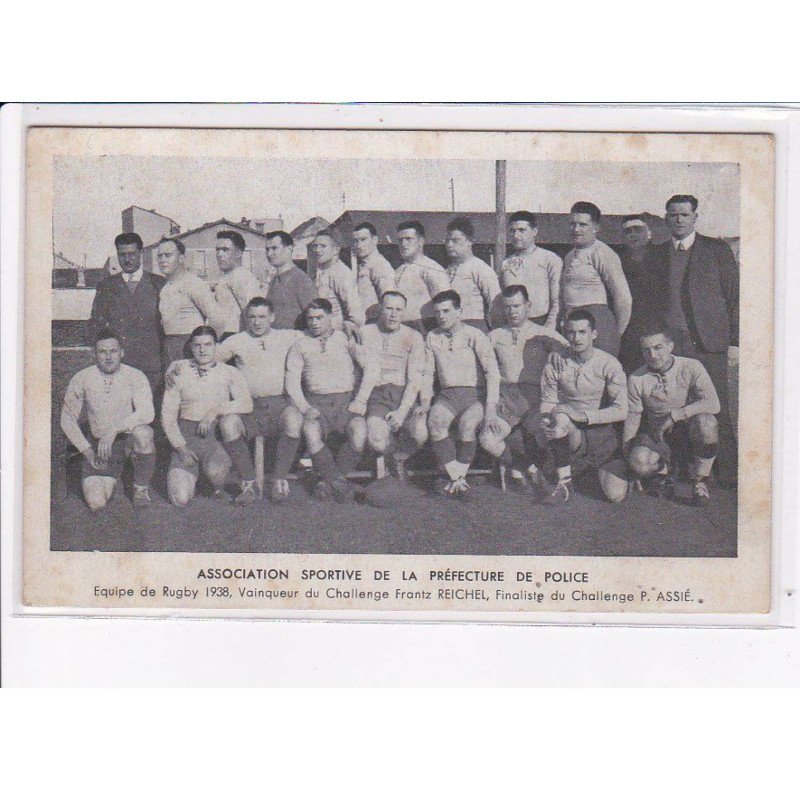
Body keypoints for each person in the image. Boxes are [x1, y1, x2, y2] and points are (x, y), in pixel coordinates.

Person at [652, 194, 739, 486]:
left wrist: (735, 341)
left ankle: (728, 474)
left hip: (708, 343)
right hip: (672, 348)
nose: (679, 220)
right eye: (673, 215)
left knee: (716, 408)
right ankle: (682, 468)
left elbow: (735, 297)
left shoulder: (717, 250)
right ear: (666, 218)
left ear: (695, 217)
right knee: (674, 408)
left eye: (684, 215)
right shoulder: (659, 254)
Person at [285, 299, 378, 502]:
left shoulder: (345, 339)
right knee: (310, 431)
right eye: (310, 319)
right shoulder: (300, 344)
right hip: (317, 403)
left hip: (345, 402)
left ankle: (327, 482)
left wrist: (361, 400)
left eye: (319, 318)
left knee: (360, 432)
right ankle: (339, 484)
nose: (314, 323)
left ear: (331, 317)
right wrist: (305, 407)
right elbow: (291, 382)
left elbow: (372, 369)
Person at [479, 285, 568, 492]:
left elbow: (569, 349)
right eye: (508, 307)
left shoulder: (544, 333)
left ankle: (538, 471)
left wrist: (558, 352)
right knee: (487, 438)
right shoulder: (494, 335)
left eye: (517, 306)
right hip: (507, 397)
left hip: (537, 396)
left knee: (547, 431)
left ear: (528, 306)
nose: (513, 312)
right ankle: (523, 466)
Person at [215, 297, 305, 501]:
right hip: (248, 407)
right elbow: (210, 359)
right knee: (228, 424)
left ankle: (279, 480)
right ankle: (248, 482)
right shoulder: (236, 340)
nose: (257, 322)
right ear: (246, 318)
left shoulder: (289, 336)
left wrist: (346, 324)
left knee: (294, 419)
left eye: (262, 317)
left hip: (278, 405)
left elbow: (318, 333)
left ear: (272, 317)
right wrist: (181, 366)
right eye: (252, 317)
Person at [538, 309, 629, 504]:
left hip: (602, 436)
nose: (576, 338)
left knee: (616, 495)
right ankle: (565, 485)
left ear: (594, 334)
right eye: (571, 332)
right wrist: (546, 418)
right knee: (559, 416)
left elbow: (621, 410)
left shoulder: (608, 363)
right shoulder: (557, 362)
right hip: (573, 432)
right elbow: (549, 400)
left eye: (582, 332)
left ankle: (589, 471)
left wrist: (584, 416)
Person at [60, 330, 156, 510]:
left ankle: (140, 487)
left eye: (113, 351)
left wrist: (113, 431)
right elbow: (67, 419)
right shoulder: (82, 377)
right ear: (94, 354)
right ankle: (114, 478)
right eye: (102, 352)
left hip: (126, 442)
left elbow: (147, 412)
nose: (109, 356)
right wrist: (87, 451)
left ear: (121, 352)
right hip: (99, 446)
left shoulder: (135, 375)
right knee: (96, 503)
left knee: (144, 434)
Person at [624, 328, 720, 506]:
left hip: (690, 430)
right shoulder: (637, 378)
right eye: (646, 350)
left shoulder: (691, 366)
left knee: (707, 423)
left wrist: (675, 415)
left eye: (658, 347)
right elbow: (633, 417)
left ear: (670, 346)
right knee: (639, 463)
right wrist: (628, 460)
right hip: (660, 434)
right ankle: (667, 469)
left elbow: (713, 404)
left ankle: (700, 481)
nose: (652, 355)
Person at [162, 326, 256, 507]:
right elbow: (168, 416)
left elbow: (246, 403)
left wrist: (215, 411)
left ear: (216, 346)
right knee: (179, 499)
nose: (202, 349)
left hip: (215, 437)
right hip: (187, 437)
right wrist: (180, 448)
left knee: (216, 473)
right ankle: (193, 478)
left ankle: (208, 479)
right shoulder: (178, 371)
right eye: (197, 345)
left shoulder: (229, 372)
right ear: (190, 346)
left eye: (208, 344)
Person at [420, 290, 500, 499]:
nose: (441, 316)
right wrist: (426, 401)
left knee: (467, 426)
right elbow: (428, 373)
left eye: (446, 311)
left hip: (474, 396)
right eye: (437, 312)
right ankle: (459, 480)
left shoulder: (475, 335)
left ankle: (454, 480)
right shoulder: (432, 336)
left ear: (459, 311)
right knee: (435, 423)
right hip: (447, 395)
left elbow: (492, 372)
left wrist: (490, 408)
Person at [359, 290, 428, 480]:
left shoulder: (413, 336)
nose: (393, 314)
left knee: (420, 433)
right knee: (377, 440)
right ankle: (388, 460)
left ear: (404, 312)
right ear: (381, 309)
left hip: (402, 393)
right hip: (376, 395)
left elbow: (415, 379)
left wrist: (402, 411)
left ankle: (399, 457)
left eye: (399, 309)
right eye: (389, 308)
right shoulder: (365, 333)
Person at [90, 232, 166, 393]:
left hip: (151, 365)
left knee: (152, 413)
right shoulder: (106, 286)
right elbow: (96, 324)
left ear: (141, 253)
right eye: (122, 255)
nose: (127, 259)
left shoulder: (159, 284)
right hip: (120, 365)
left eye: (132, 254)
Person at [560, 202, 632, 357]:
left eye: (583, 224)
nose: (576, 229)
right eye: (573, 224)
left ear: (595, 228)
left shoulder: (603, 253)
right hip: (573, 322)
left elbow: (623, 298)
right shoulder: (569, 255)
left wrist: (615, 333)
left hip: (598, 321)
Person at [157, 237, 227, 366]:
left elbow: (217, 318)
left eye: (168, 255)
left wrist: (206, 349)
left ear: (181, 258)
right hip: (169, 350)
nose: (163, 260)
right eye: (159, 256)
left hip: (190, 349)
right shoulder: (165, 288)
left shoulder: (193, 283)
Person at [500, 211, 562, 327]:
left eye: (522, 230)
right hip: (513, 325)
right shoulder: (506, 264)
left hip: (542, 322)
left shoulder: (549, 259)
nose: (516, 235)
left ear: (534, 231)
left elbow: (557, 299)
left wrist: (549, 327)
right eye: (512, 231)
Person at [618, 215, 662, 374]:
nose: (633, 234)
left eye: (638, 230)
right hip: (628, 331)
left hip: (658, 328)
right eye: (628, 231)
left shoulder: (663, 257)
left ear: (649, 233)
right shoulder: (617, 261)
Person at [443, 216, 500, 332]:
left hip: (474, 327)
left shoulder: (480, 268)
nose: (449, 244)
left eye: (455, 240)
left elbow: (496, 304)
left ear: (469, 241)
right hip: (451, 328)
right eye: (447, 240)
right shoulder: (447, 270)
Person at [394, 221, 449, 332]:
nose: (403, 244)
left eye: (409, 239)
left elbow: (445, 303)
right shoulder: (397, 271)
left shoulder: (432, 268)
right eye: (400, 240)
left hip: (424, 327)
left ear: (421, 241)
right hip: (399, 329)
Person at [308, 231, 365, 331]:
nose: (317, 250)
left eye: (323, 246)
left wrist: (342, 329)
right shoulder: (319, 271)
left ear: (336, 250)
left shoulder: (342, 273)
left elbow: (357, 316)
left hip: (335, 334)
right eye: (315, 246)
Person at [264, 231, 317, 330]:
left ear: (289, 248)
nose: (269, 254)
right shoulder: (273, 279)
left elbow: (315, 316)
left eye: (274, 248)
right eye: (267, 249)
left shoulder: (301, 280)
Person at [213, 230, 262, 336]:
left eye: (225, 250)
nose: (220, 254)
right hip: (223, 335)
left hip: (235, 335)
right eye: (217, 250)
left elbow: (252, 313)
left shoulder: (241, 277)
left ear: (238, 253)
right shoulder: (227, 276)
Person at [351, 222, 396, 322]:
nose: (358, 245)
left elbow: (389, 301)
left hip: (374, 323)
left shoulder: (379, 265)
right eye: (355, 241)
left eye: (363, 240)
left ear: (374, 240)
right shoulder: (364, 264)